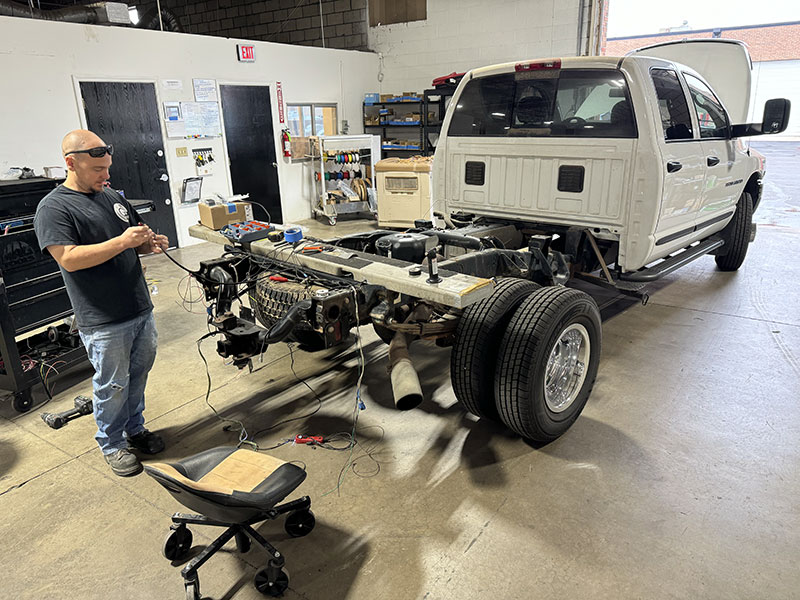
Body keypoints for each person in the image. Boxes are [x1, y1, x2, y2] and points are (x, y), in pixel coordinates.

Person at [34, 129, 169, 477]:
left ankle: (134, 429)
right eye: (98, 170)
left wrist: (146, 244)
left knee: (138, 374)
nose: (106, 175)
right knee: (113, 383)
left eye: (107, 167)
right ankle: (111, 443)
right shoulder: (54, 208)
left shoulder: (111, 196)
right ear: (71, 163)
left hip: (139, 307)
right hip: (103, 318)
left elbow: (131, 238)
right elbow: (70, 258)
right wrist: (123, 242)